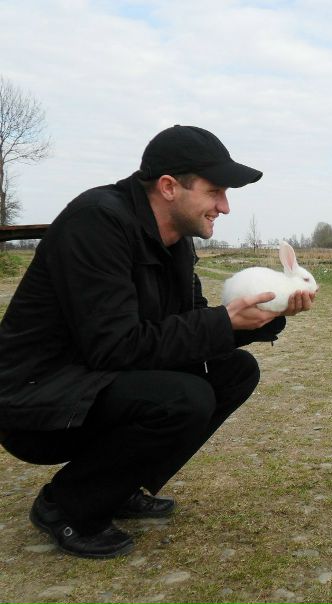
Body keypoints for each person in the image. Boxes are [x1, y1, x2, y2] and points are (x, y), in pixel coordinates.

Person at [0, 125, 315, 559]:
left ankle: (117, 486)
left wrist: (261, 320)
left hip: (95, 380)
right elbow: (113, 346)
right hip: (37, 402)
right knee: (182, 398)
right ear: (169, 186)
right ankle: (67, 505)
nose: (224, 206)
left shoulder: (175, 242)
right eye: (215, 191)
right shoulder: (96, 222)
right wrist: (225, 321)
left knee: (233, 372)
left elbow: (188, 327)